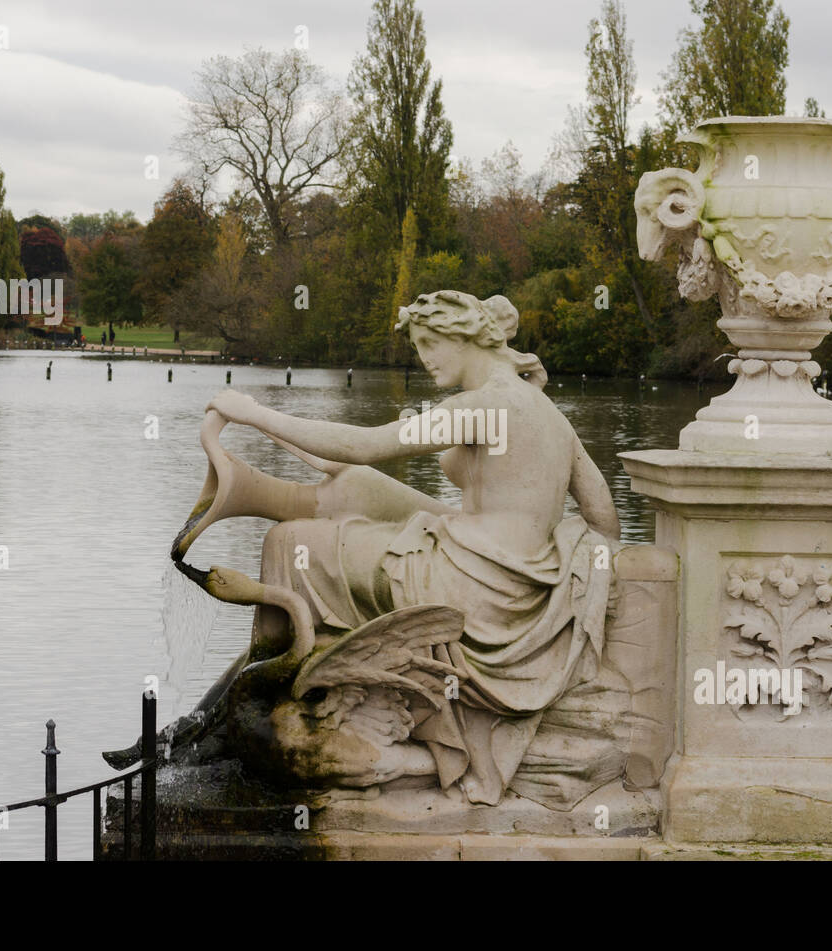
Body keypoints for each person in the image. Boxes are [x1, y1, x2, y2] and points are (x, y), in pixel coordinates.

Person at [180, 290, 621, 805]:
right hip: (512, 585)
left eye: (430, 343)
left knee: (288, 542)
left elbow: (367, 445)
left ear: (464, 337)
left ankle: (258, 711)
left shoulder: (485, 405)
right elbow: (605, 515)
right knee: (338, 519)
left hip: (464, 583)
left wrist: (254, 413)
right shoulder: (548, 414)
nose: (425, 358)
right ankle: (237, 713)